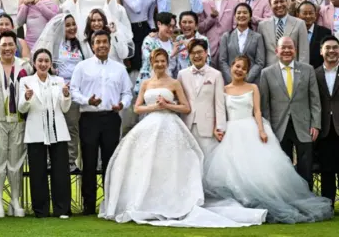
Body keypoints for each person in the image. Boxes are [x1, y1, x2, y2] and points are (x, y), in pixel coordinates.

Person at [99, 49, 265, 227]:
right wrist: (155, 107)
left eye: (163, 61)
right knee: (146, 164)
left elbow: (186, 108)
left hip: (170, 125)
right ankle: (144, 201)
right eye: (157, 61)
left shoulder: (174, 82)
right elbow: (137, 108)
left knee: (170, 165)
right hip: (149, 126)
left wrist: (168, 105)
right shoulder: (146, 83)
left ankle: (171, 202)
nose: (160, 64)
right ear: (152, 62)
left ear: (167, 63)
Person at [204, 55, 333, 223]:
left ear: (247, 72)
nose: (239, 70)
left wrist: (261, 129)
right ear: (231, 67)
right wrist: (218, 128)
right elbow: (219, 111)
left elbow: (257, 110)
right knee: (236, 170)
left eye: (243, 68)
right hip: (232, 131)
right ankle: (243, 203)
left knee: (259, 171)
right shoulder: (224, 89)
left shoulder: (253, 87)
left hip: (251, 129)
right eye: (237, 66)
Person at [70, 30, 132, 215]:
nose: (102, 45)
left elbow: (127, 92)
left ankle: (110, 203)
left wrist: (122, 104)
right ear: (92, 44)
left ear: (109, 44)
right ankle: (89, 205)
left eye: (105, 42)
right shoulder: (82, 67)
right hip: (89, 117)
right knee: (88, 162)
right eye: (98, 42)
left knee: (110, 161)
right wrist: (87, 100)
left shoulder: (119, 68)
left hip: (111, 117)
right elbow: (74, 91)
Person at [259, 37, 321, 190]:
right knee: (282, 167)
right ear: (277, 51)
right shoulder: (266, 73)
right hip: (278, 126)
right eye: (283, 47)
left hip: (304, 125)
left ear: (295, 50)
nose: (287, 50)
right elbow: (264, 104)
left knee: (306, 165)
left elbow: (315, 100)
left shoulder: (308, 70)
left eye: (290, 47)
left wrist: (316, 124)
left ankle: (307, 198)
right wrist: (267, 128)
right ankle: (288, 197)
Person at [0, 31, 33, 218]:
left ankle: (15, 200)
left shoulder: (25, 67)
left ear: (16, 46)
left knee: (16, 163)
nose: (7, 48)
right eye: (4, 45)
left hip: (18, 120)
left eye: (11, 44)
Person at [19, 49, 72, 219]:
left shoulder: (58, 80)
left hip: (58, 131)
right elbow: (21, 108)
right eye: (40, 61)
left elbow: (64, 108)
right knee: (37, 172)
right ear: (34, 63)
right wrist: (26, 98)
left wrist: (65, 95)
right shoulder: (26, 81)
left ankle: (62, 209)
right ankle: (40, 210)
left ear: (50, 64)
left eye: (46, 61)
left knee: (61, 171)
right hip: (36, 131)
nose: (43, 64)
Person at [33, 14, 86, 171]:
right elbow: (43, 66)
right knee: (51, 125)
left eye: (73, 24)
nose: (71, 28)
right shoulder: (54, 45)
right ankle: (51, 160)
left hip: (73, 93)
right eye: (67, 25)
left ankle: (70, 161)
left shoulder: (80, 45)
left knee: (72, 126)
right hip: (54, 92)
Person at [177, 39, 225, 157]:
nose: (197, 56)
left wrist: (220, 127)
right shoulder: (182, 74)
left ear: (206, 53)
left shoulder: (216, 74)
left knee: (207, 160)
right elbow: (179, 100)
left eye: (200, 52)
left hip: (208, 126)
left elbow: (219, 104)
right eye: (193, 53)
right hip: (187, 124)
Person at [119, 0, 157, 72]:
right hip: (130, 30)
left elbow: (150, 17)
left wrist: (154, 29)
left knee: (147, 62)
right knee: (133, 65)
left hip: (145, 29)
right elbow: (136, 8)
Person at [315, 35, 339, 205]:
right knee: (327, 169)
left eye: (335, 47)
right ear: (321, 51)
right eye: (328, 47)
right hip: (324, 128)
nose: (332, 51)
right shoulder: (313, 73)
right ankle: (328, 205)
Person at [257, 0, 309, 66]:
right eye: (275, 2)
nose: (279, 5)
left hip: (293, 71)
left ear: (287, 2)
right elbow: (260, 54)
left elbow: (304, 53)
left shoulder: (300, 24)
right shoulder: (262, 26)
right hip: (270, 72)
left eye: (282, 1)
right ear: (270, 5)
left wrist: (301, 75)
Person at [198, 0, 238, 69]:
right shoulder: (203, 4)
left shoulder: (235, 2)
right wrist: (211, 17)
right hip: (209, 47)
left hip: (229, 47)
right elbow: (200, 28)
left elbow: (236, 26)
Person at [219, 3, 265, 84]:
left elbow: (260, 62)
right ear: (235, 16)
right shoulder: (226, 37)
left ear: (250, 16)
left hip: (251, 83)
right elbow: (222, 61)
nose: (241, 15)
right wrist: (233, 79)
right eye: (239, 13)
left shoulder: (257, 37)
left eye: (245, 12)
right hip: (231, 83)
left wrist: (247, 78)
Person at [298, 1, 331, 69]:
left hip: (317, 73)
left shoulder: (325, 33)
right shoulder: (293, 31)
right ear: (298, 15)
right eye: (305, 13)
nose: (308, 16)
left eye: (311, 13)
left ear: (315, 15)